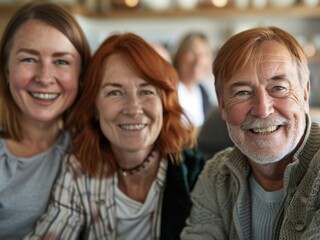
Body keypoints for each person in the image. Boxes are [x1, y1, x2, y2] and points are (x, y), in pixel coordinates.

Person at [181, 26, 320, 239]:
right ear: (222, 106)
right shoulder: (216, 175)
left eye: (278, 88)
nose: (263, 109)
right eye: (242, 92)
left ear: (305, 94)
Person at [26, 33, 205, 239]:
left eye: (146, 91)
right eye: (114, 92)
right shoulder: (79, 169)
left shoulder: (195, 175)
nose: (133, 108)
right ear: (94, 107)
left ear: (164, 103)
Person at [0, 2, 91, 239]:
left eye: (62, 61)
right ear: (7, 71)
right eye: (29, 59)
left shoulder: (91, 153)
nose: (44, 77)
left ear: (81, 76)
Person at [173, 32, 214, 128]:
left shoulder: (203, 91)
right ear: (178, 56)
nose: (199, 61)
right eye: (192, 53)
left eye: (205, 54)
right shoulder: (169, 89)